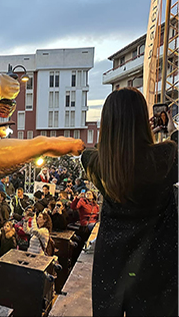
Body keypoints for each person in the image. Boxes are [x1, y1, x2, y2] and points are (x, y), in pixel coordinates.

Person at [83, 88, 178, 316]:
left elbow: (91, 153)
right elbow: (175, 142)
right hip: (156, 270)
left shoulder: (98, 165)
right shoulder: (165, 158)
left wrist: (119, 140)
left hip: (111, 268)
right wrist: (167, 128)